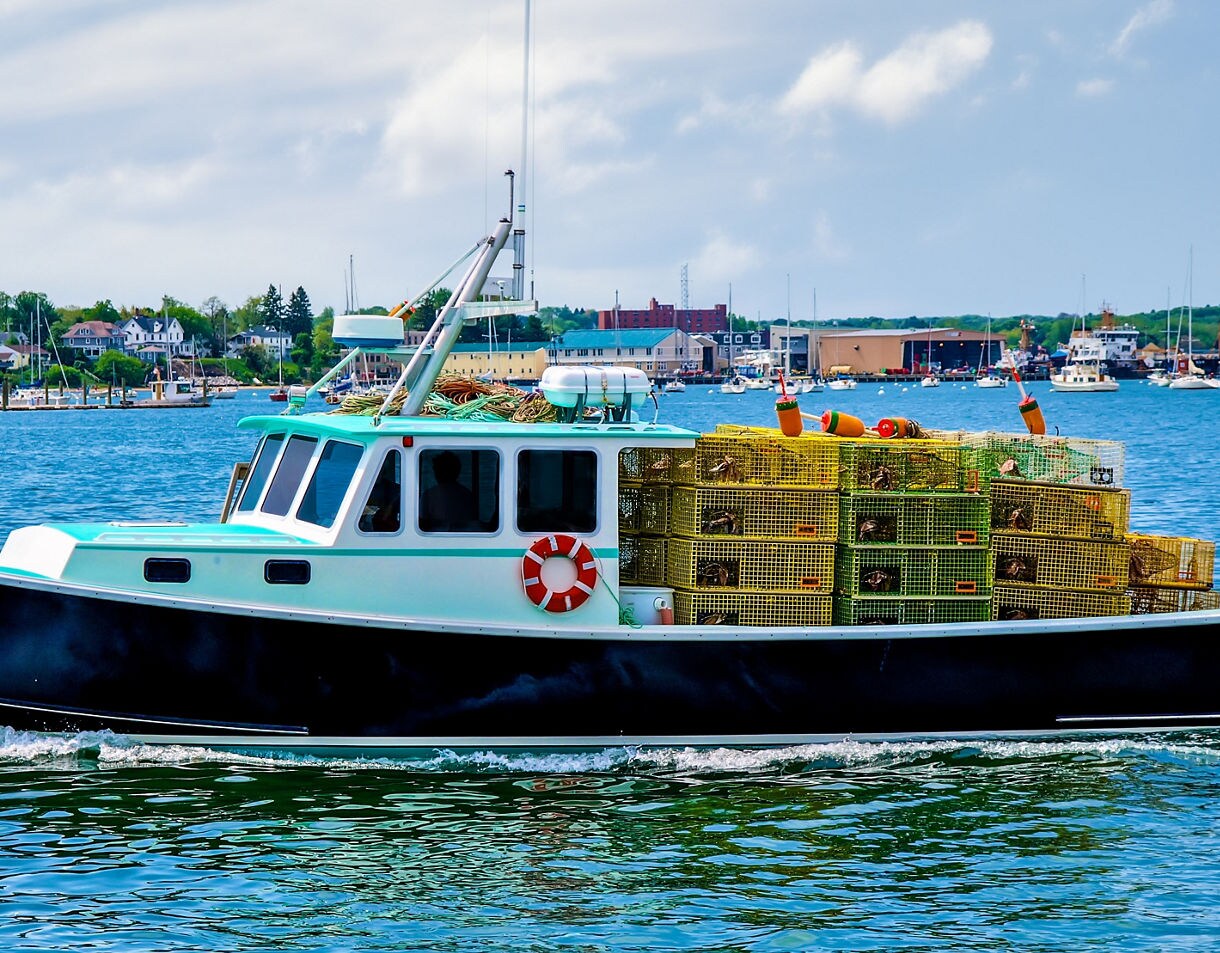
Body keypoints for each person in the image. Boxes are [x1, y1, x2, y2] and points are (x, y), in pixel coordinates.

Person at [419, 450, 478, 532]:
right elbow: (472, 520)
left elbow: (422, 522)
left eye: (437, 470)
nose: (436, 473)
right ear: (457, 471)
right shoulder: (467, 494)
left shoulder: (428, 495)